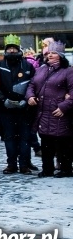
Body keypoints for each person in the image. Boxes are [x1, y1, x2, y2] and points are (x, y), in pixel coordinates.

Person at [26, 40, 73, 178]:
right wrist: (30, 97)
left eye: (54, 53)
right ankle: (47, 169)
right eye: (49, 53)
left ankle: (66, 169)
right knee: (46, 142)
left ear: (61, 56)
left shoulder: (68, 71)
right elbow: (31, 85)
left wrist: (64, 107)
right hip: (43, 112)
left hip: (59, 112)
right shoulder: (41, 69)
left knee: (63, 143)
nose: (50, 55)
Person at [0, 35, 36, 174]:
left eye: (14, 48)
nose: (12, 51)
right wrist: (3, 100)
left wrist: (26, 100)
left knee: (25, 138)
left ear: (19, 50)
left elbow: (34, 84)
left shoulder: (28, 66)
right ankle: (11, 164)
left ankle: (24, 164)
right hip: (6, 109)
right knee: (9, 138)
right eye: (9, 49)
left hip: (24, 109)